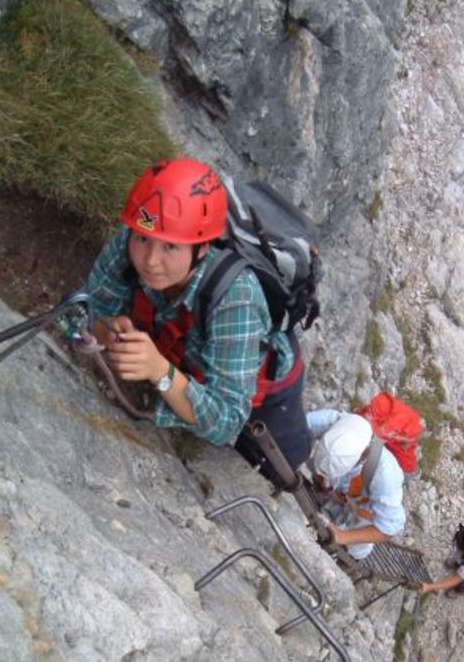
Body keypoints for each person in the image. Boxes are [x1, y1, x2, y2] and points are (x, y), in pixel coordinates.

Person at [85, 158, 310, 478]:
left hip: (268, 390)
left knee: (275, 464)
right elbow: (90, 304)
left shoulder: (237, 298)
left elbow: (228, 420)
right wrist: (104, 330)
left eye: (171, 249)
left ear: (203, 248)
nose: (150, 261)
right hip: (189, 356)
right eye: (143, 240)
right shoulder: (138, 232)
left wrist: (160, 373)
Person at [306, 409, 406, 559]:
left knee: (357, 546)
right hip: (344, 492)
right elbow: (301, 425)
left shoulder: (385, 477)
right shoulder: (334, 423)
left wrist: (341, 536)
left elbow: (387, 529)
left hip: (366, 507)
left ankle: (350, 558)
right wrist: (324, 484)